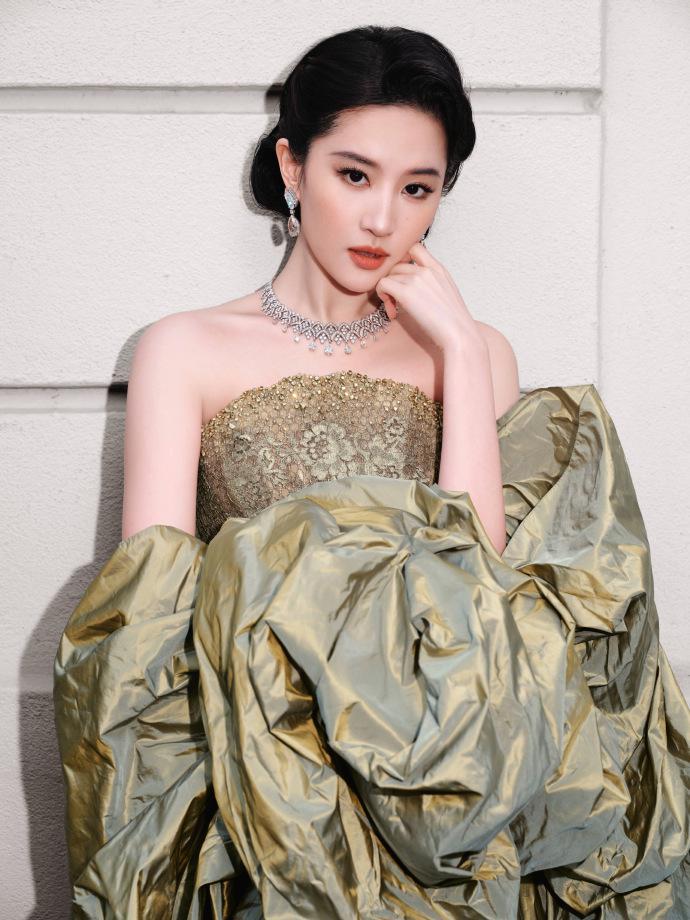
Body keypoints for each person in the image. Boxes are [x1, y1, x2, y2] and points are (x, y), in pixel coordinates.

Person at [53, 25, 690, 920]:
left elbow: (486, 598)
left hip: (452, 778)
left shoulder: (474, 353)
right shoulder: (184, 349)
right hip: (261, 787)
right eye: (354, 175)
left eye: (417, 188)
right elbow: (147, 624)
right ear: (293, 165)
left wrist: (459, 352)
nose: (384, 219)